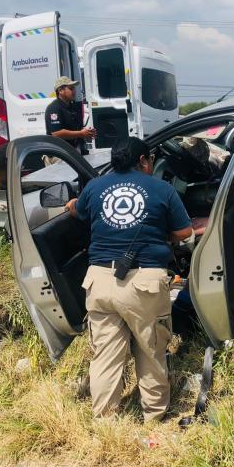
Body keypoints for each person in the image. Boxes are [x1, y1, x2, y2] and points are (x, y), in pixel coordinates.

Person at [65, 137, 192, 421]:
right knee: (150, 350)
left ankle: (105, 421)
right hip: (143, 282)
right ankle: (154, 418)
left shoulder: (95, 186)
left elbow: (79, 212)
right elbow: (184, 233)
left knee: (106, 354)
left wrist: (71, 203)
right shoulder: (162, 189)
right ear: (144, 161)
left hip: (99, 280)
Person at [45, 76, 96, 154]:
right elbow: (57, 133)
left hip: (71, 151)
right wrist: (81, 133)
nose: (74, 91)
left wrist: (87, 133)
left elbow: (75, 130)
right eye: (71, 89)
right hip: (59, 154)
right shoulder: (54, 107)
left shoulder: (71, 107)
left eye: (74, 88)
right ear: (60, 90)